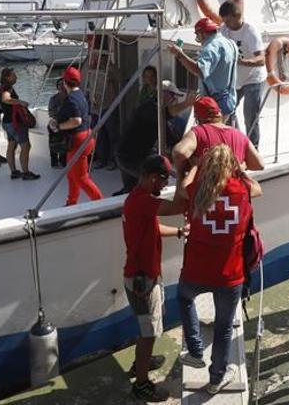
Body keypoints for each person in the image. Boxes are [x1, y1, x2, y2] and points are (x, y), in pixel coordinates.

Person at [176, 144, 263, 395]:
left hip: (196, 270)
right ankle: (216, 379)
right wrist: (241, 171)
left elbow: (182, 189)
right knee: (224, 328)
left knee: (184, 297)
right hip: (230, 274)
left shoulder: (195, 191)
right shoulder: (244, 189)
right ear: (231, 167)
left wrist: (193, 167)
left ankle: (194, 349)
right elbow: (259, 188)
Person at [122, 155, 187, 401]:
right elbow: (179, 206)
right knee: (148, 333)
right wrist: (184, 175)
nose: (164, 186)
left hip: (144, 276)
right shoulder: (143, 202)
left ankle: (141, 363)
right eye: (163, 180)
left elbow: (153, 227)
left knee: (147, 329)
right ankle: (141, 384)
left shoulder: (138, 201)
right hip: (142, 281)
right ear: (152, 178)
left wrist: (179, 231)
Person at [115, 67, 195, 194]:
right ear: (163, 94)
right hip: (128, 157)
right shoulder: (148, 108)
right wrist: (186, 104)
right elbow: (165, 113)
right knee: (153, 179)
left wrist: (190, 154)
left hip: (140, 154)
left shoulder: (159, 115)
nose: (174, 99)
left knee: (134, 189)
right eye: (172, 96)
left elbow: (171, 141)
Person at [172, 96, 264, 198]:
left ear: (197, 117)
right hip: (234, 194)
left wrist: (195, 165)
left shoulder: (197, 132)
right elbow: (259, 165)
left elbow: (179, 153)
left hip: (204, 195)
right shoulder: (239, 135)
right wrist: (240, 166)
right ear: (219, 113)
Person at [168, 18, 239, 124]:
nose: (199, 40)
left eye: (198, 36)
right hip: (229, 102)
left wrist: (180, 55)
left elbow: (199, 70)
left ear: (202, 34)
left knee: (212, 138)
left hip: (214, 106)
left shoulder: (211, 47)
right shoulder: (230, 43)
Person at [50, 67, 104, 206]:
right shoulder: (81, 95)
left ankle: (100, 203)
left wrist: (58, 126)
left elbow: (76, 120)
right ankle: (71, 202)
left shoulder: (71, 99)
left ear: (65, 82)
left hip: (78, 140)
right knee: (71, 173)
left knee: (81, 177)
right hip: (86, 136)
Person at [219, 1, 266, 147]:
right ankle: (238, 142)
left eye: (228, 20)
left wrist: (243, 62)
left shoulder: (250, 31)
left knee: (250, 116)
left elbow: (261, 59)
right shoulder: (224, 30)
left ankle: (253, 149)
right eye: (223, 21)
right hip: (235, 79)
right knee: (227, 111)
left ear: (237, 16)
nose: (225, 24)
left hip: (253, 78)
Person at [0, 68, 40, 181]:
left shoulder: (3, 87)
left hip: (7, 122)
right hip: (15, 123)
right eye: (14, 75)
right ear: (7, 77)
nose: (16, 77)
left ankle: (14, 171)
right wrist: (20, 102)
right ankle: (26, 172)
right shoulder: (7, 88)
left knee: (12, 145)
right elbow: (5, 99)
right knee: (25, 146)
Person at [47, 79, 68, 168]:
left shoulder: (70, 98)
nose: (62, 86)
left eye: (63, 84)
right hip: (57, 121)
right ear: (57, 87)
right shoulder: (53, 99)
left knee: (64, 135)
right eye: (60, 84)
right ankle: (54, 161)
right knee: (53, 130)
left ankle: (63, 161)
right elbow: (51, 112)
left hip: (67, 121)